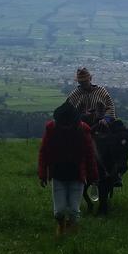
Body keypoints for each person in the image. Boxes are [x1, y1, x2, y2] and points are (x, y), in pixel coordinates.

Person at [37, 101, 99, 236]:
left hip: (77, 176)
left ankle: (70, 237)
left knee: (74, 211)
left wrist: (94, 177)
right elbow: (44, 152)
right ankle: (61, 225)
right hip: (58, 175)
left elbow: (90, 156)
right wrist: (42, 174)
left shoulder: (83, 130)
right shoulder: (52, 129)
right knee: (59, 211)